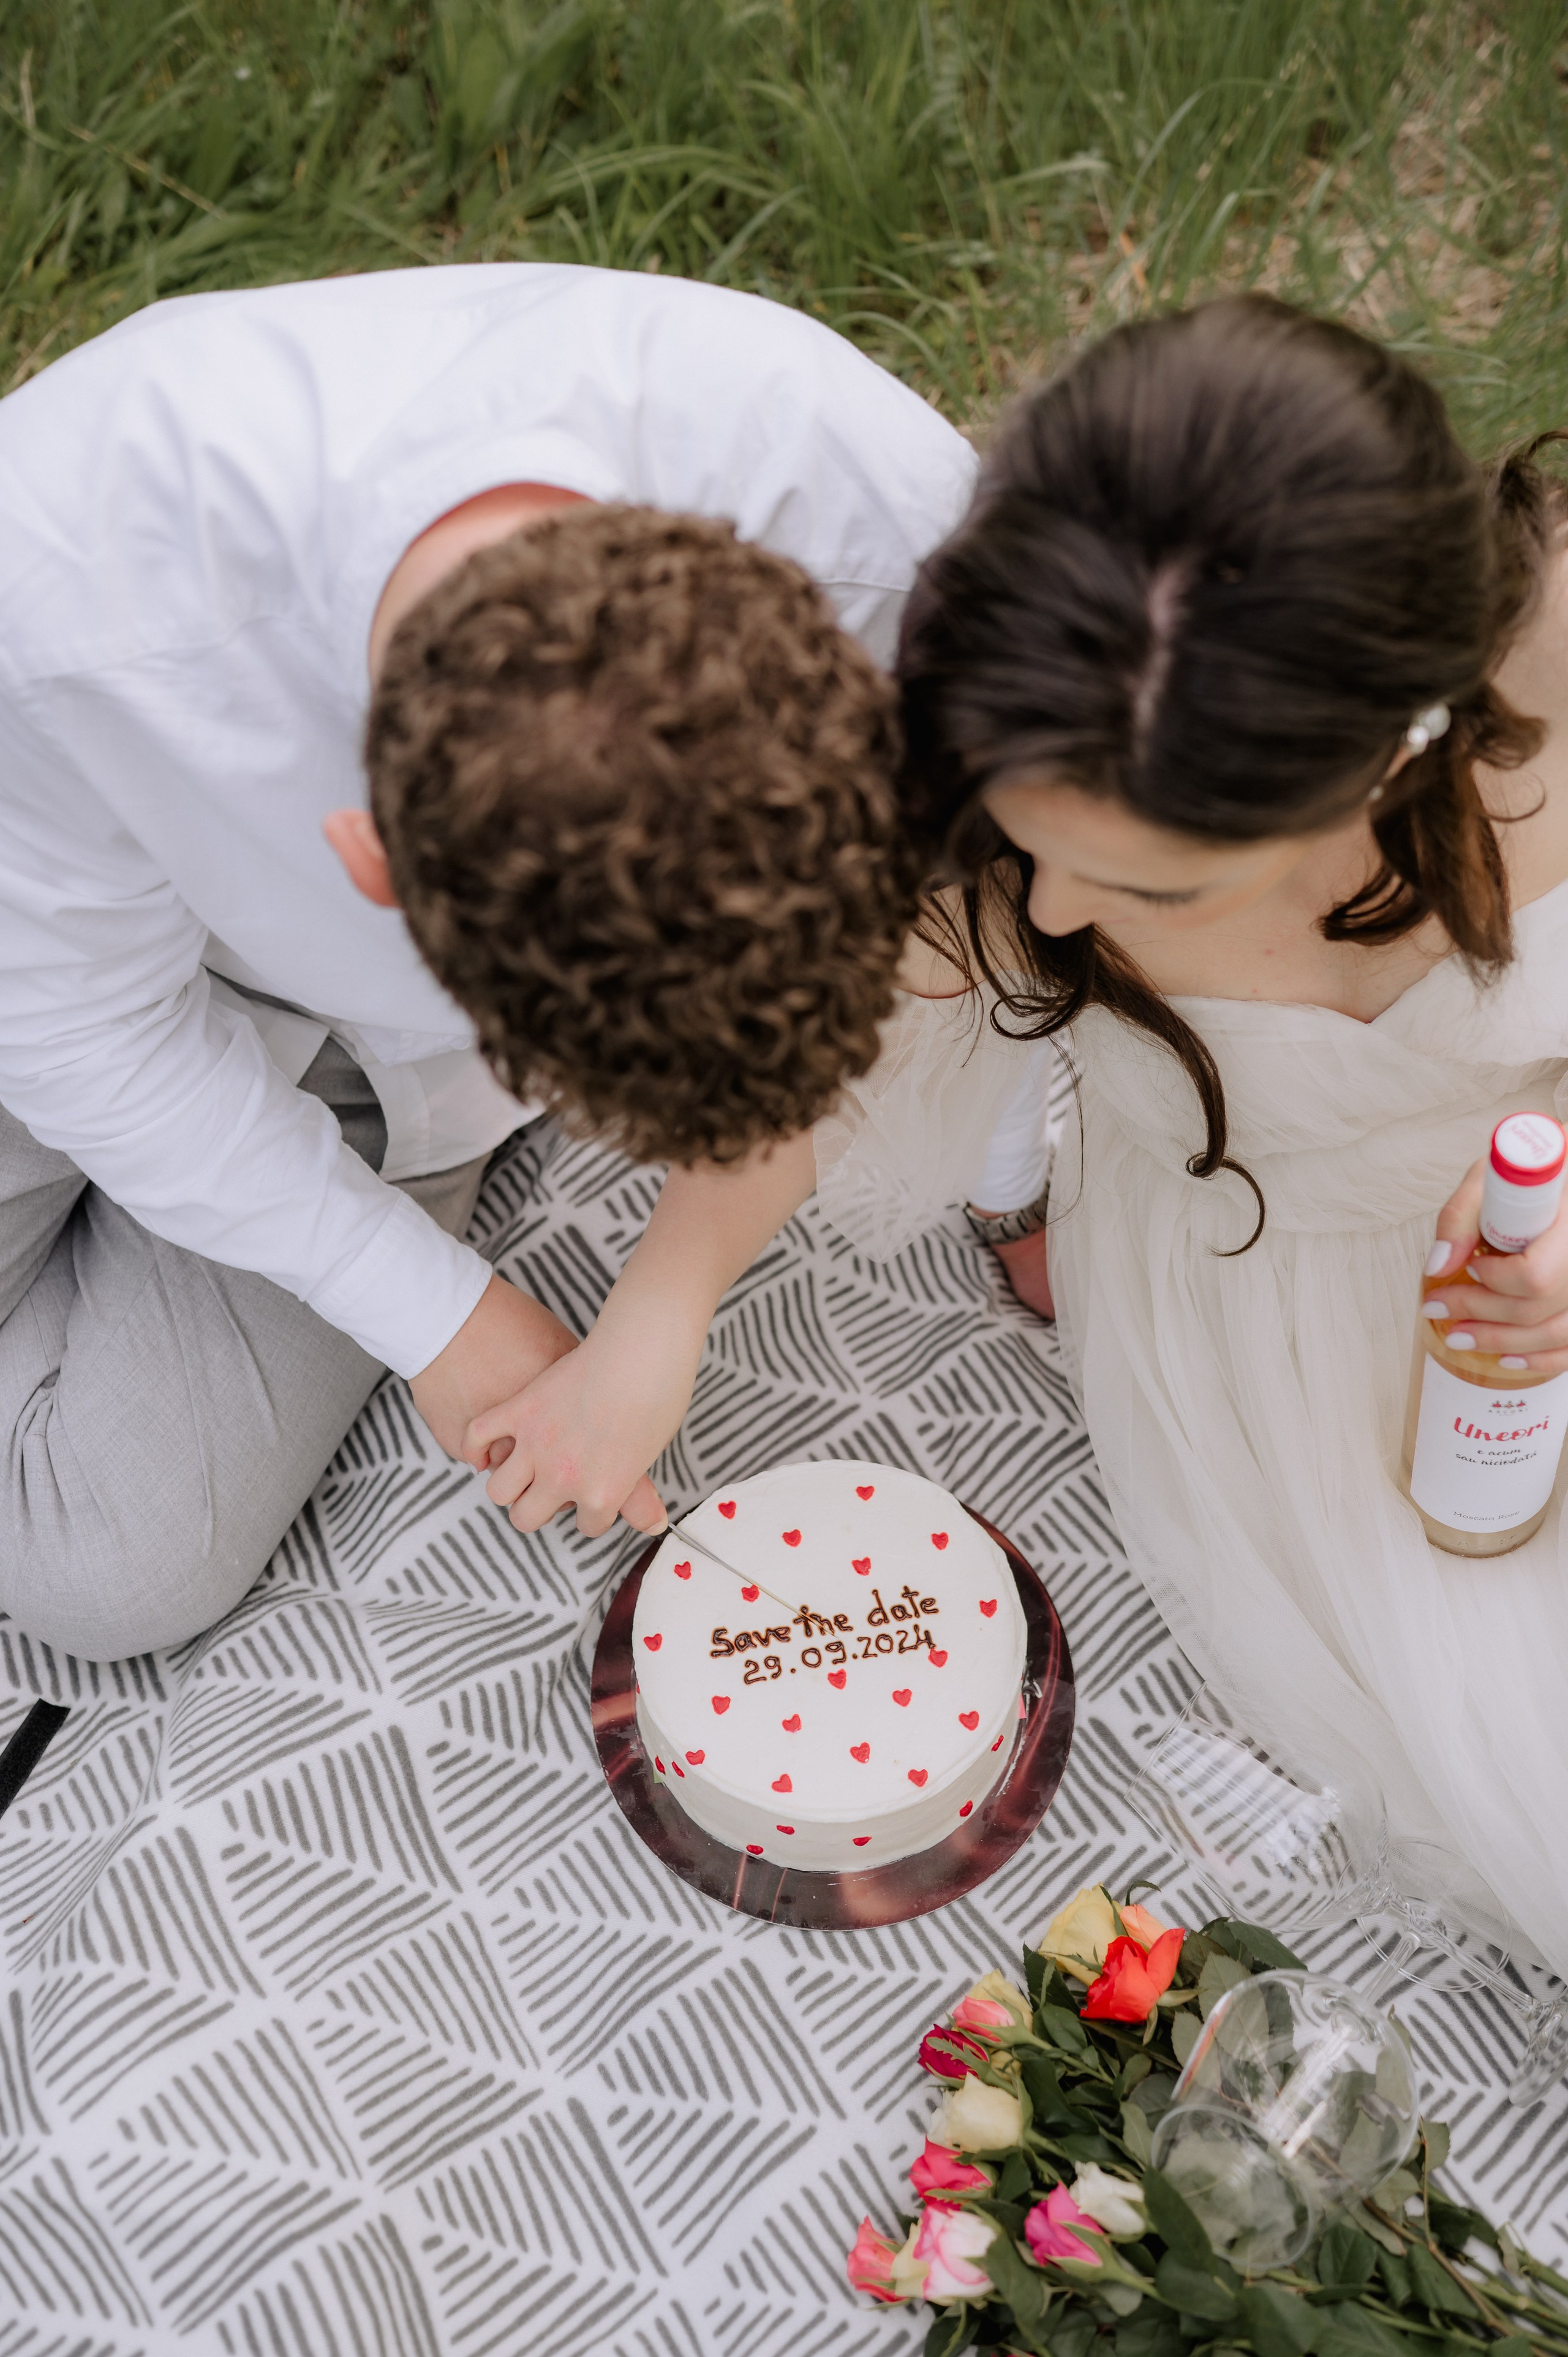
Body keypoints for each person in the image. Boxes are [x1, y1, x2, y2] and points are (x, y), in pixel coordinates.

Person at [0, 261, 976, 1662]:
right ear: (369, 867)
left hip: (372, 1082)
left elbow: (913, 944)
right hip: (42, 984)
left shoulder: (866, 515)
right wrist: (436, 1312)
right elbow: (84, 1038)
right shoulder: (59, 593)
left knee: (117, 1568)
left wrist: (661, 1298)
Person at [880, 295, 1568, 1978]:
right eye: (1034, 849)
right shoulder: (1001, 782)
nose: (1047, 912)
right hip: (1290, 1313)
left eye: (1152, 887)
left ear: (1385, 755)